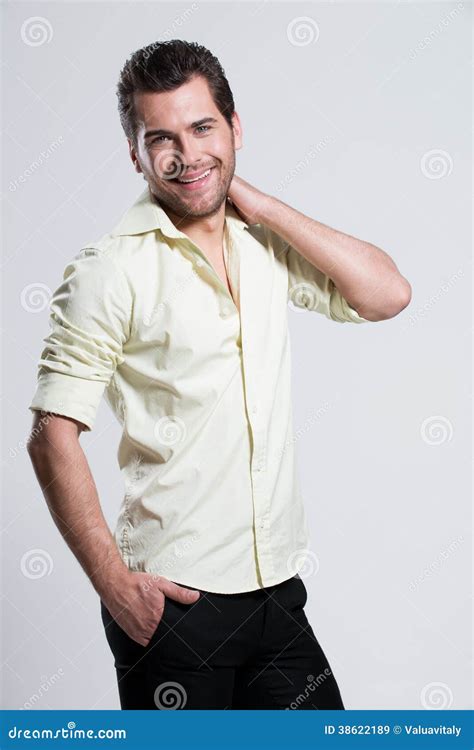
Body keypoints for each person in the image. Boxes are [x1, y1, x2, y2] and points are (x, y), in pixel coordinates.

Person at [27, 40, 411, 710]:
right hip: (175, 608)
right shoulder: (110, 270)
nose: (187, 154)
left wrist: (259, 206)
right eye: (162, 139)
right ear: (136, 154)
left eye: (203, 128)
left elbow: (387, 294)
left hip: (278, 597)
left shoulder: (261, 245)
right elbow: (51, 434)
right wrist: (115, 585)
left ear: (236, 127)